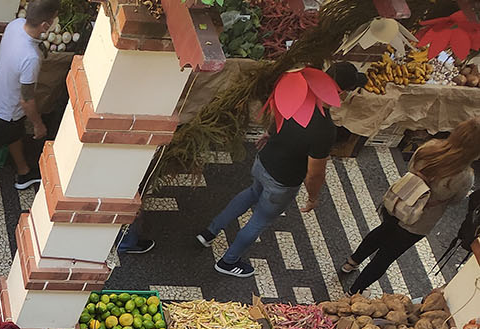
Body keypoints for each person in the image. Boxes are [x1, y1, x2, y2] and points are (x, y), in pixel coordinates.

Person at [197, 62, 361, 278]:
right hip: (282, 181)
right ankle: (228, 261)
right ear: (340, 92)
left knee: (251, 193)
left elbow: (279, 117)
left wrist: (269, 133)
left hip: (263, 162)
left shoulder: (299, 96)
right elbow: (315, 173)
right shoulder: (324, 129)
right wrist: (313, 197)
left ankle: (209, 232)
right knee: (259, 220)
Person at [344, 119, 480, 291]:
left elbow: (410, 167)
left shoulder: (430, 147)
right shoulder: (465, 175)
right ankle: (354, 291)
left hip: (398, 201)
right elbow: (456, 201)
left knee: (380, 232)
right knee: (386, 256)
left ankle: (351, 263)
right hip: (419, 221)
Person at [0, 0, 58, 189]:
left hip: (0, 99)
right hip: (5, 113)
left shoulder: (14, 26)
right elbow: (27, 100)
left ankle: (24, 172)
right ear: (45, 25)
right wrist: (38, 124)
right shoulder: (30, 58)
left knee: (15, 135)